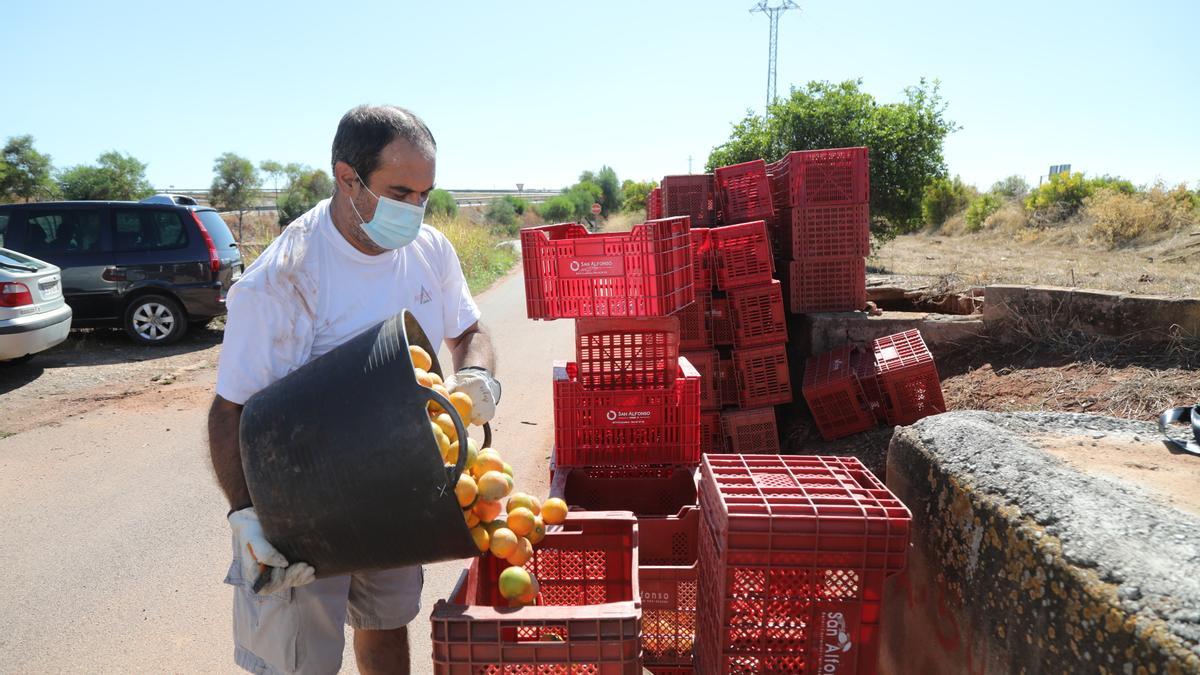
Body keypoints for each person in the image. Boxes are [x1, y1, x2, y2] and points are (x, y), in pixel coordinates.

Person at [207, 104, 501, 675]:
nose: (416, 209)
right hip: (300, 505)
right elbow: (230, 410)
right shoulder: (285, 279)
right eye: (400, 192)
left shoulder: (430, 251)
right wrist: (245, 516)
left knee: (386, 628)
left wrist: (478, 375)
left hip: (397, 487)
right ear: (348, 178)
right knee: (301, 661)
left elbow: (468, 329)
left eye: (425, 194)